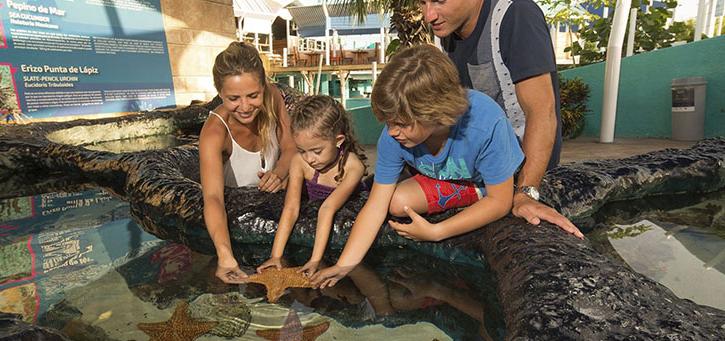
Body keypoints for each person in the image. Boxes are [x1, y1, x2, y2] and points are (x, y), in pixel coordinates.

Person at [310, 44, 523, 288]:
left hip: (486, 181)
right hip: (444, 177)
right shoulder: (394, 136)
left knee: (491, 195)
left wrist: (437, 231)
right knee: (396, 202)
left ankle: (476, 192)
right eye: (388, 122)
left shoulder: (485, 124)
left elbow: (501, 202)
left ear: (435, 113)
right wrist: (343, 266)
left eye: (400, 123)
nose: (391, 132)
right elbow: (376, 207)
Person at [420, 0, 584, 238]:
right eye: (422, 3)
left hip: (521, 170)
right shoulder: (444, 32)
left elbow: (542, 112)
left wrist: (525, 193)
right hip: (479, 167)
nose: (428, 16)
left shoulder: (515, 15)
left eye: (439, 1)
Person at [199, 42, 296, 284]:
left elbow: (291, 146)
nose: (244, 107)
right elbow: (212, 197)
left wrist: (280, 173)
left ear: (264, 86)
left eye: (253, 95)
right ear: (219, 93)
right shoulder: (214, 132)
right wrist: (224, 255)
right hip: (236, 223)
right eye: (233, 98)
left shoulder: (273, 96)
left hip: (277, 216)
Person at [256, 95, 369, 277]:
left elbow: (328, 208)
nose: (309, 159)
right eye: (302, 150)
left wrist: (315, 260)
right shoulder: (299, 162)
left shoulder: (353, 167)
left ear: (338, 140)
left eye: (317, 151)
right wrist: (276, 255)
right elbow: (291, 208)